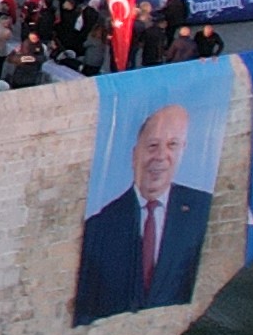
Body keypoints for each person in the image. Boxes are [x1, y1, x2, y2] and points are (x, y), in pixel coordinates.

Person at [73, 98, 207, 322]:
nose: (161, 156)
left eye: (172, 145)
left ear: (183, 150)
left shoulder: (201, 210)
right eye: (153, 145)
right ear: (135, 154)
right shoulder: (99, 227)